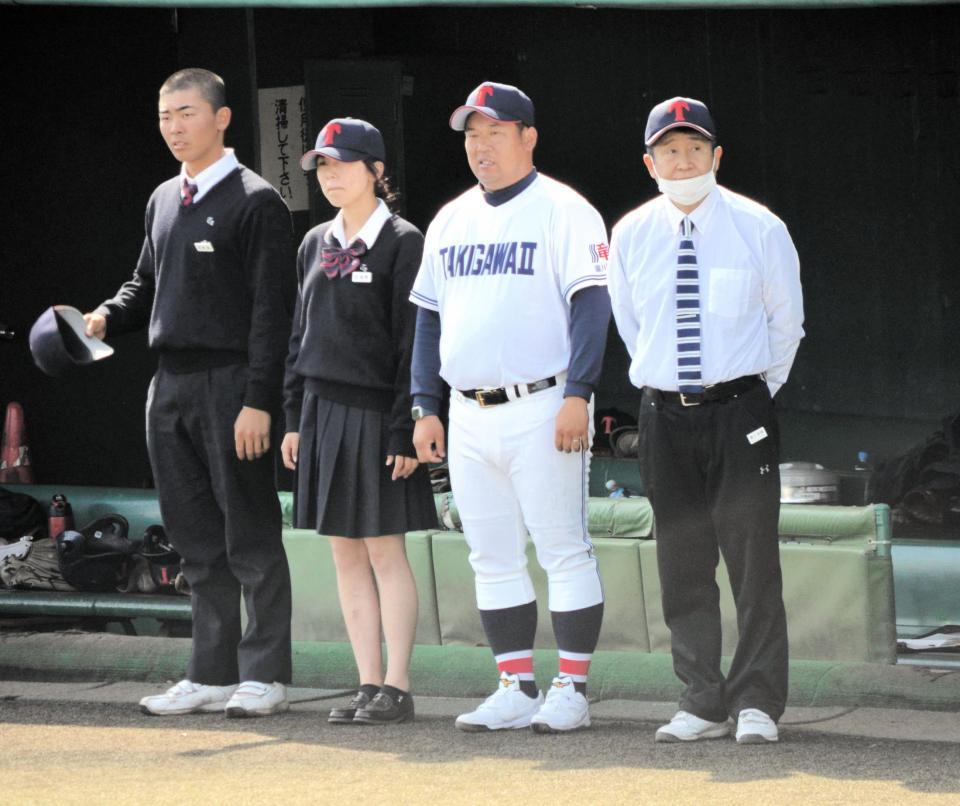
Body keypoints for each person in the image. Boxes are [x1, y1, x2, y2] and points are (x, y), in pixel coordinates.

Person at [84, 68, 296, 717]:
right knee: (194, 538)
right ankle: (211, 672)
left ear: (222, 117)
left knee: (250, 533)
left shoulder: (256, 201)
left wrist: (260, 401)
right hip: (168, 384)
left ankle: (266, 674)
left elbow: (271, 313)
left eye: (186, 113)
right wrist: (101, 316)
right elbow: (142, 283)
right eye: (165, 116)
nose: (174, 127)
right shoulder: (161, 199)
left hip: (233, 384)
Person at [410, 82, 611, 734]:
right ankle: (515, 684)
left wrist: (579, 392)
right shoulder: (449, 218)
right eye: (471, 132)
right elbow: (428, 319)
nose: (480, 143)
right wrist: (423, 404)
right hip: (467, 410)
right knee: (490, 554)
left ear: (528, 135)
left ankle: (572, 690)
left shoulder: (564, 208)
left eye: (494, 130)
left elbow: (591, 305)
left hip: (542, 400)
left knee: (563, 548)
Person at [607, 96, 805, 744]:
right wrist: (670, 386)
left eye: (695, 148)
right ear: (649, 161)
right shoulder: (631, 233)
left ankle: (756, 702)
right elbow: (633, 326)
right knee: (681, 560)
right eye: (669, 149)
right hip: (665, 416)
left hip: (740, 412)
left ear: (717, 155)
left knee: (752, 561)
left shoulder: (760, 227)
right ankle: (700, 699)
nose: (683, 160)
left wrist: (753, 395)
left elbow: (786, 324)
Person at [281, 118, 436, 725]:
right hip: (321, 412)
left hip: (378, 414)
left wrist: (405, 427)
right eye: (322, 166)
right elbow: (299, 338)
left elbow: (413, 344)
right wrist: (294, 417)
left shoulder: (403, 240)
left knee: (384, 552)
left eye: (343, 164)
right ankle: (367, 682)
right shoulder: (313, 240)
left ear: (376, 170)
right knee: (344, 553)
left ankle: (398, 684)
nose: (331, 175)